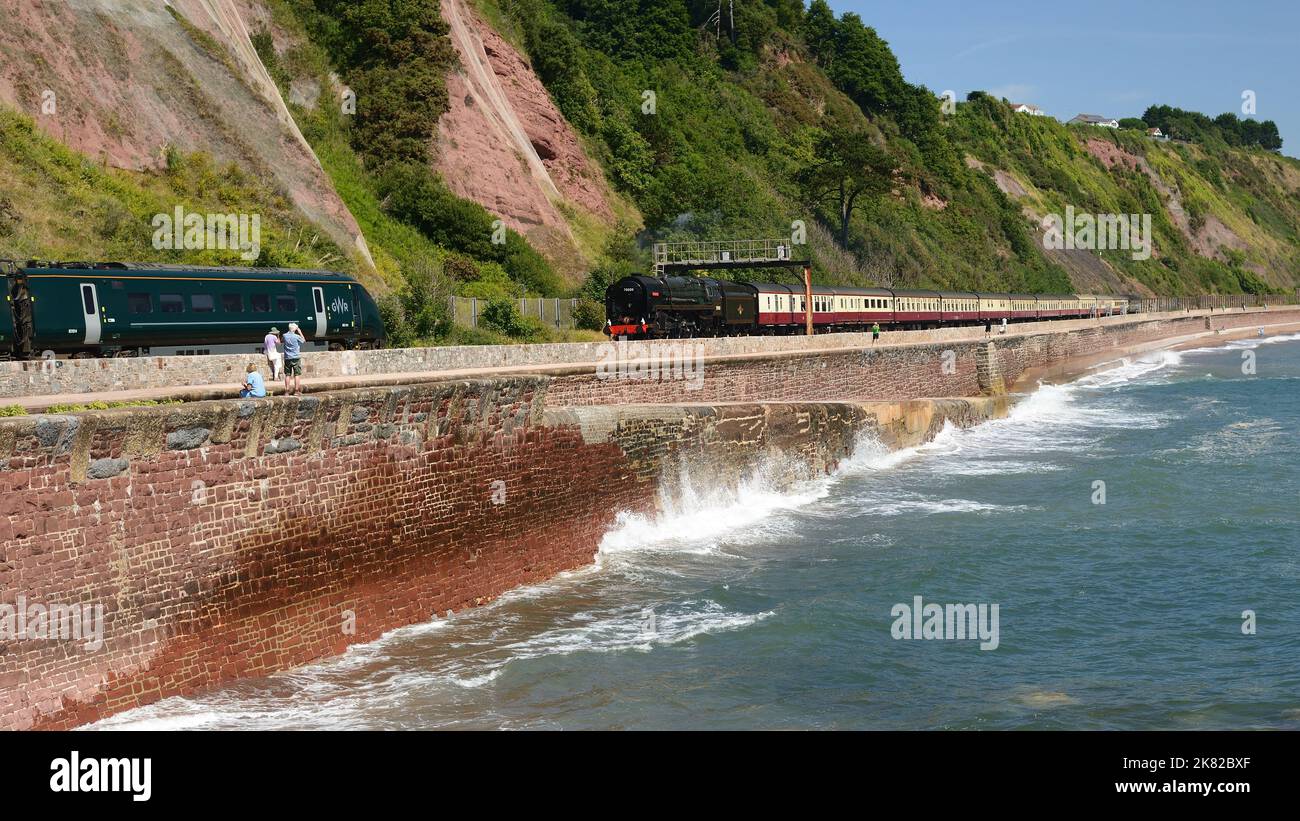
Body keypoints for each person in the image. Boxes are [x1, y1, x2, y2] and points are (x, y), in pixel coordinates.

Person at [281, 322, 306, 396]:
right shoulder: (296, 336)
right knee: (297, 374)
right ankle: (296, 391)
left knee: (287, 374)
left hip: (287, 357)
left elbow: (282, 341)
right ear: (295, 329)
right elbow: (303, 341)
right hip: (296, 357)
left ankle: (287, 391)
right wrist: (300, 332)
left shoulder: (284, 335)